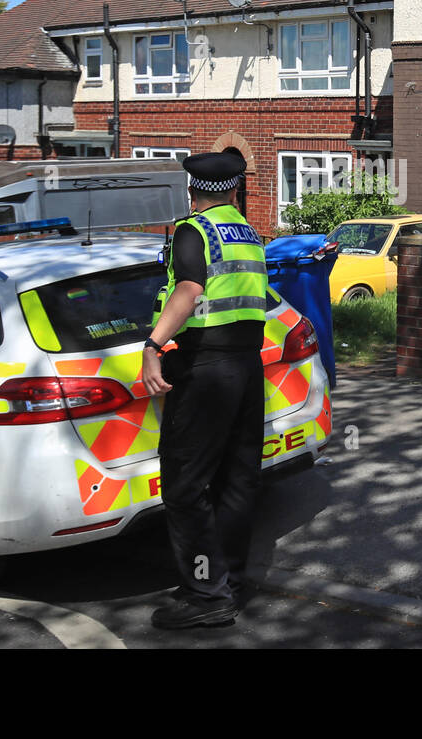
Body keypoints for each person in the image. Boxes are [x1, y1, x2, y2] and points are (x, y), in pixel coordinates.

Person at [141, 151, 267, 629]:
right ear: (235, 191)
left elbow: (189, 290)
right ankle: (228, 582)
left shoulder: (196, 230)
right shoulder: (248, 235)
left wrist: (153, 344)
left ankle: (205, 595)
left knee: (184, 485)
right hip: (245, 367)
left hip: (206, 366)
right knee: (237, 479)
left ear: (191, 190)